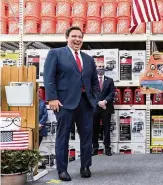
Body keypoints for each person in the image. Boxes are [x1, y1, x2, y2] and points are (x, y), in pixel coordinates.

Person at [43, 26, 100, 181]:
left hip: (86, 103)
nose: (77, 39)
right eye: (74, 36)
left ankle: (85, 167)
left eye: (80, 37)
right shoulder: (56, 54)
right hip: (64, 103)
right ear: (67, 37)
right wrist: (52, 98)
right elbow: (49, 78)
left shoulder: (88, 59)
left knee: (87, 137)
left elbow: (95, 82)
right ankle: (62, 170)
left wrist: (94, 100)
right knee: (63, 137)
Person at [92, 61, 115, 156]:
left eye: (102, 66)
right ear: (95, 68)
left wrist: (105, 101)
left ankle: (107, 148)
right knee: (94, 128)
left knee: (106, 128)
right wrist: (98, 102)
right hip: (95, 108)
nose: (101, 68)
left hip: (106, 107)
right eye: (99, 66)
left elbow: (112, 93)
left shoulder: (109, 80)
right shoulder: (92, 81)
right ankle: (95, 147)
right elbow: (91, 93)